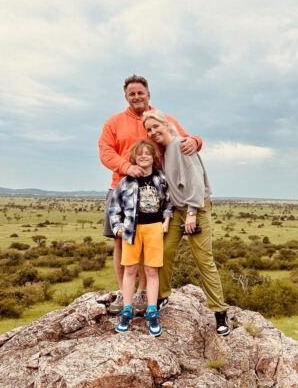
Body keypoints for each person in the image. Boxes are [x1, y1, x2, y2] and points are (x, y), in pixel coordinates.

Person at [98, 75, 202, 314]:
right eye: (132, 94)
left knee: (148, 240)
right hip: (121, 187)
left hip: (154, 189)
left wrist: (197, 140)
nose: (137, 97)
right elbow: (105, 151)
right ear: (126, 97)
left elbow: (184, 138)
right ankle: (123, 293)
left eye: (140, 93)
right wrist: (127, 167)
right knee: (121, 240)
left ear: (148, 94)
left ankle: (143, 292)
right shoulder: (113, 122)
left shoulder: (160, 119)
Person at [143, 109, 230, 336]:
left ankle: (220, 313)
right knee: (163, 251)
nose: (152, 132)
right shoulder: (164, 152)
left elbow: (196, 180)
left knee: (203, 260)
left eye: (155, 127)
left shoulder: (182, 145)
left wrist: (192, 212)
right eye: (148, 130)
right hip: (177, 211)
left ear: (166, 124)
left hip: (196, 209)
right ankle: (162, 296)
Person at [108, 140, 173, 335]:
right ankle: (126, 311)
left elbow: (168, 202)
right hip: (131, 229)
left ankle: (152, 313)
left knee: (152, 270)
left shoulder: (161, 178)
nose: (143, 156)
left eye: (147, 153)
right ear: (133, 157)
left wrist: (166, 221)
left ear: (154, 157)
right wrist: (117, 226)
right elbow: (114, 206)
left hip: (154, 229)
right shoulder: (126, 181)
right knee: (130, 269)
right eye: (139, 154)